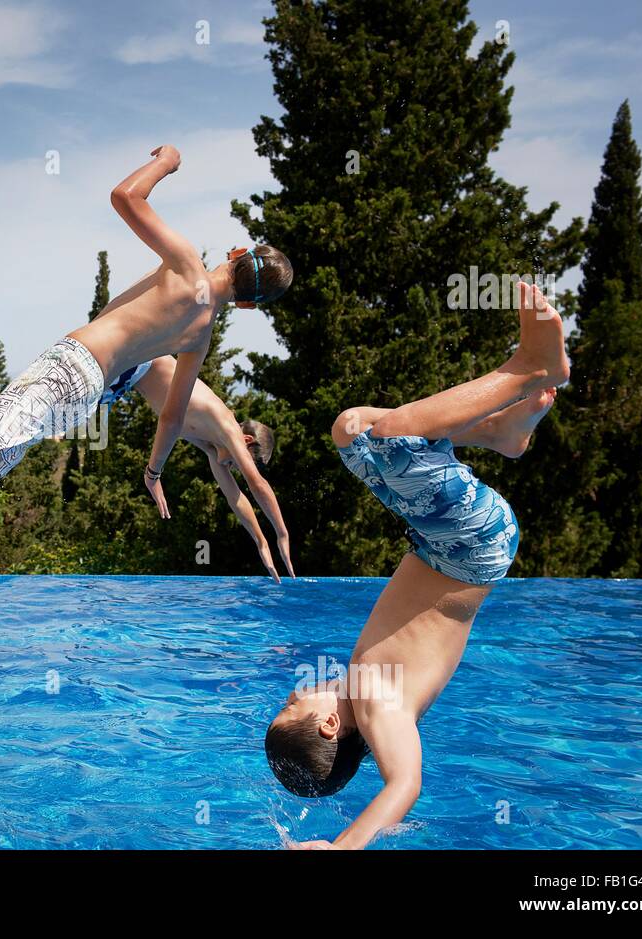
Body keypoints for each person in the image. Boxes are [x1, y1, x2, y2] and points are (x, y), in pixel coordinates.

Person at [0, 145, 293, 682]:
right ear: (251, 305)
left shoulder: (188, 264)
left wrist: (167, 161)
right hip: (86, 388)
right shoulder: (201, 334)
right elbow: (171, 415)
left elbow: (125, 196)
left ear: (237, 252)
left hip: (74, 366)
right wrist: (154, 471)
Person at [264, 281, 567, 849]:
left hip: (438, 544)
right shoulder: (379, 707)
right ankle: (530, 368)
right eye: (292, 704)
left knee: (350, 430)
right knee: (395, 437)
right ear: (330, 725)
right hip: (469, 547)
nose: (295, 690)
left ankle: (499, 433)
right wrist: (345, 847)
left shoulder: (364, 693)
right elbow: (404, 782)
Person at [0, 351, 296, 579]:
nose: (235, 468)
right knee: (56, 412)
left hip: (132, 373)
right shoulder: (226, 426)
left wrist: (261, 543)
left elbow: (237, 499)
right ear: (247, 443)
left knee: (56, 414)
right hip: (138, 361)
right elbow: (257, 486)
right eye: (247, 461)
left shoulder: (211, 445)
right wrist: (282, 533)